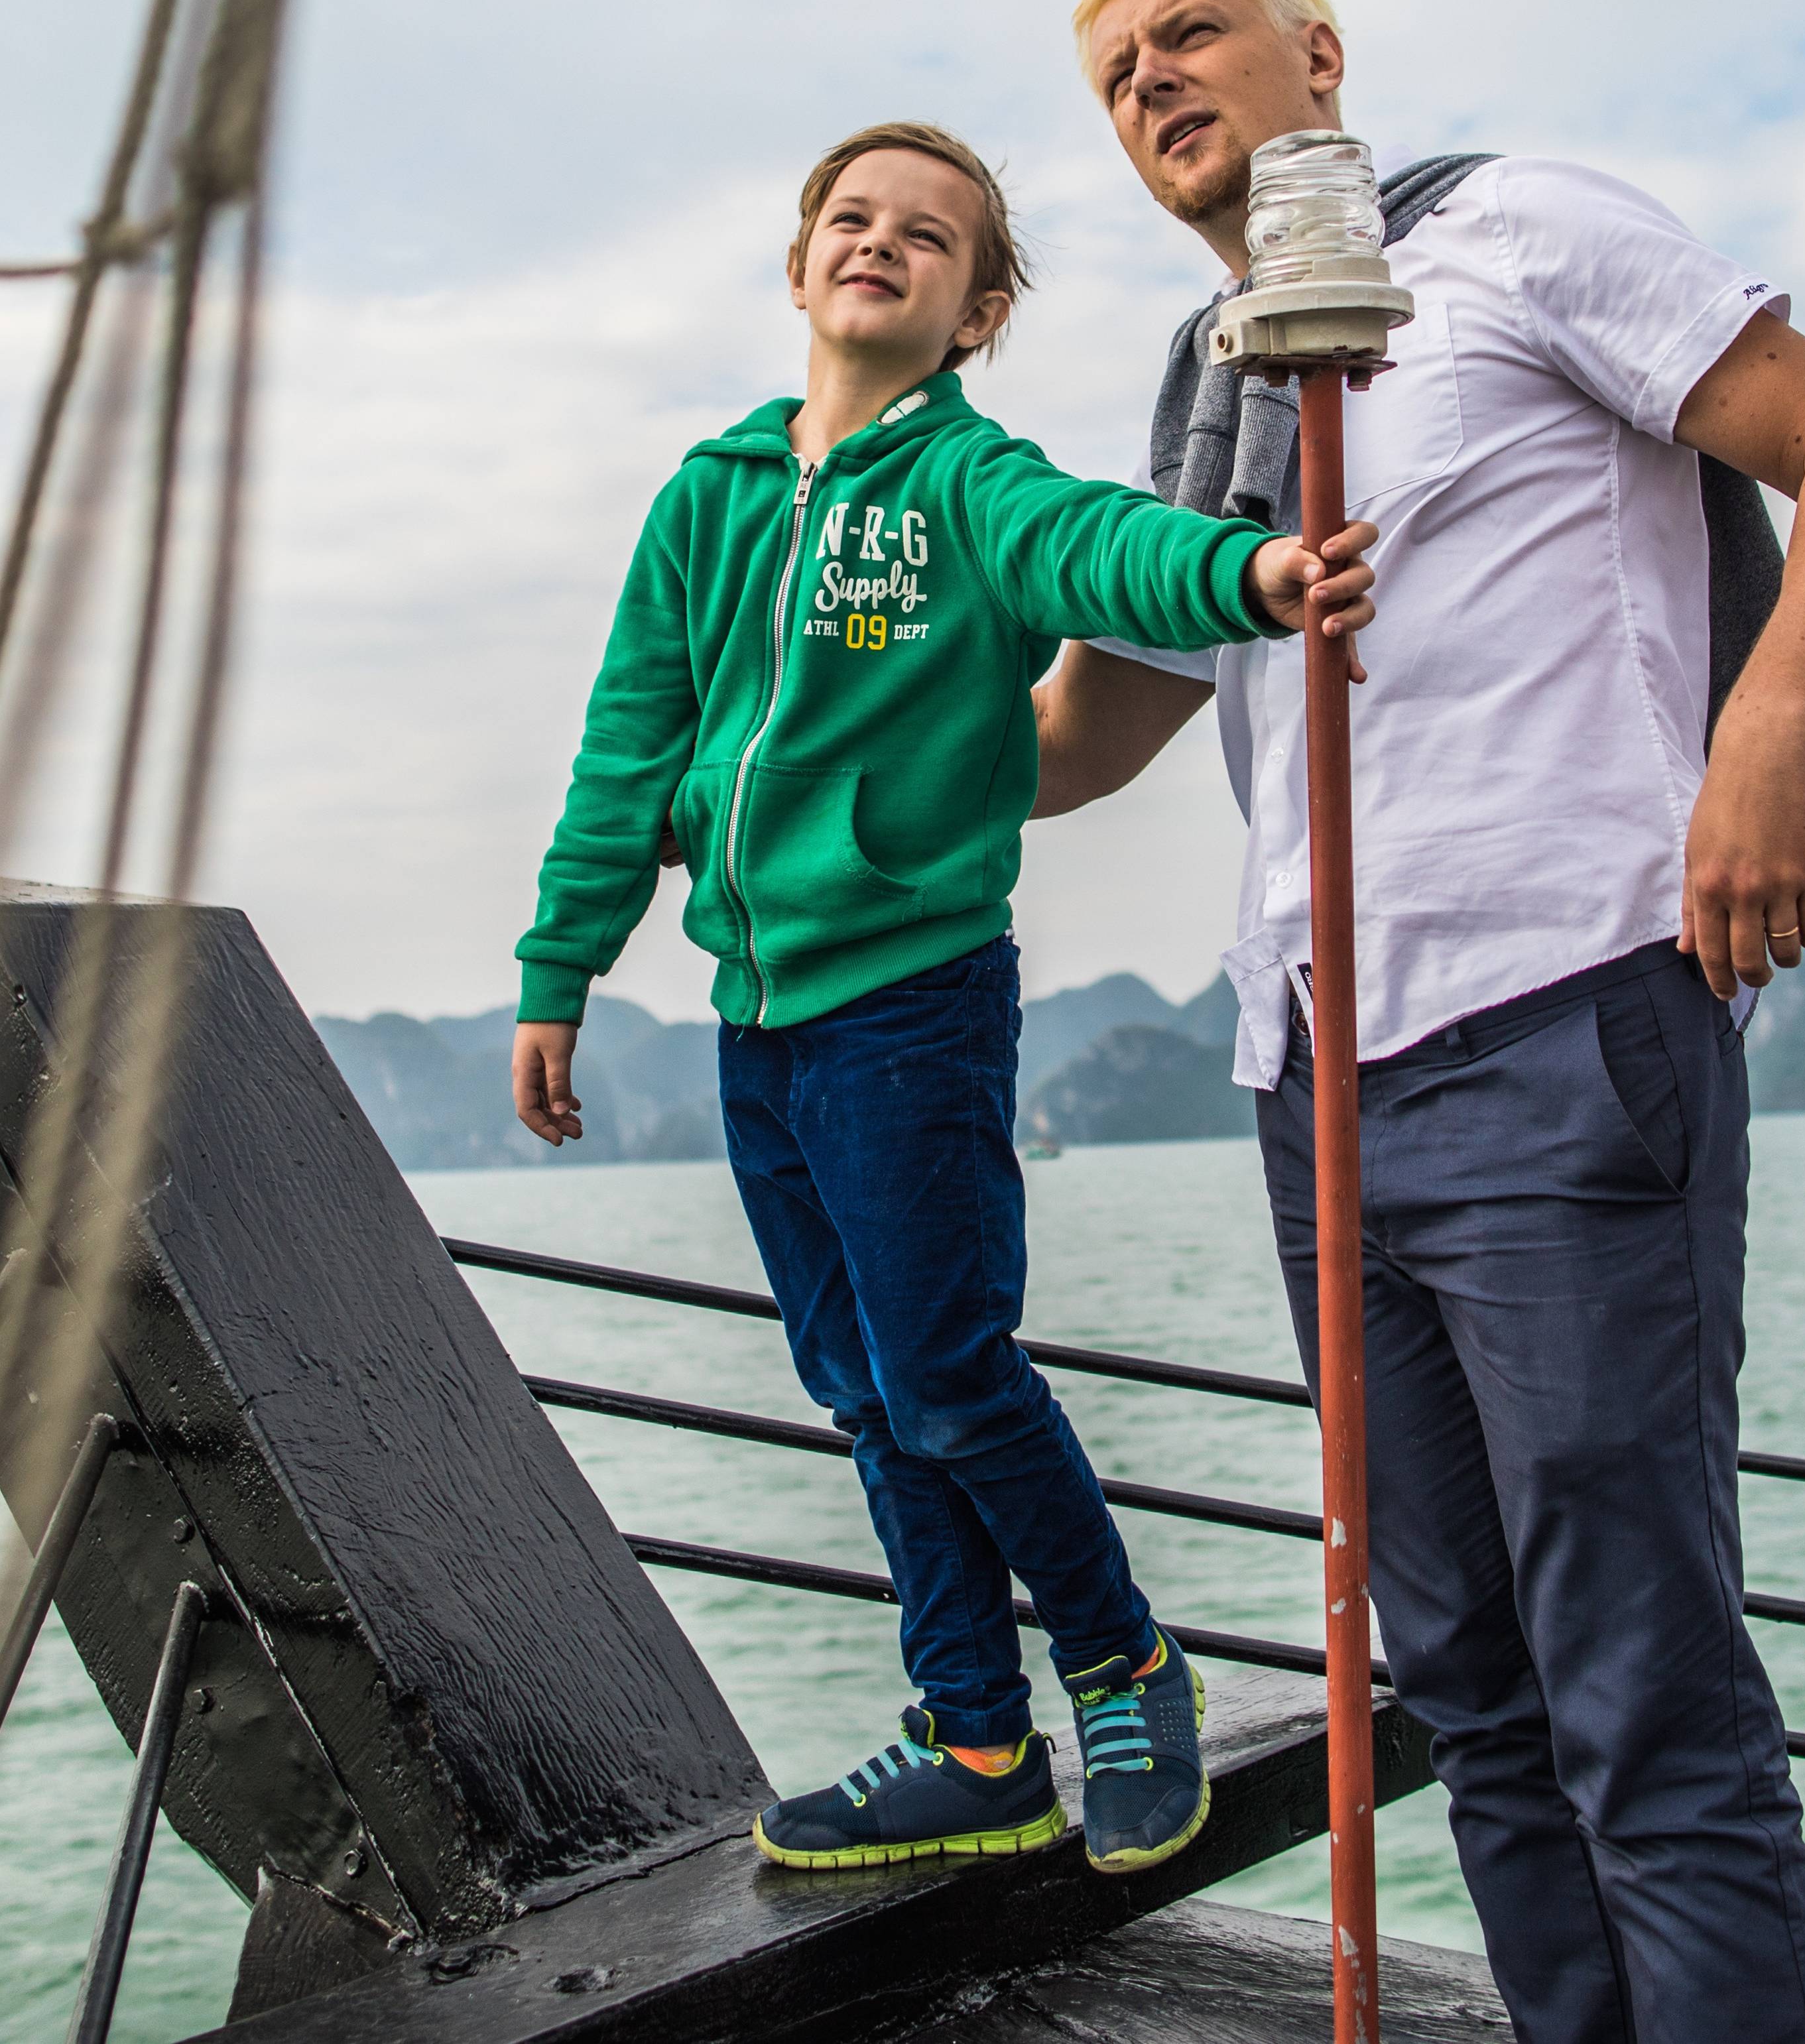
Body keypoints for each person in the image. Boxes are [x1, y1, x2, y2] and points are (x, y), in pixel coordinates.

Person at [1033, 0, 1805, 2043]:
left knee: (1642, 1689)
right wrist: (816, 735)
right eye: (1114, 75)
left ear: (1319, 54)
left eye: (1191, 33)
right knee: (1471, 1693)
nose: (1152, 81)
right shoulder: (1214, 387)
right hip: (1312, 1084)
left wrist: (1769, 736)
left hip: (1565, 1021)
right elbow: (1084, 736)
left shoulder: (1521, 229)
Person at [510, 120, 1379, 1875]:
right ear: (799, 265)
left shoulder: (967, 489)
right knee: (862, 1388)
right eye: (851, 218)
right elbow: (627, 744)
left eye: (928, 236)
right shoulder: (708, 498)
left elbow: (1098, 548)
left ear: (976, 313)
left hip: (914, 1004)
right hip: (758, 1022)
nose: (879, 243)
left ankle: (1122, 1661)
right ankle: (976, 1735)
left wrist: (1250, 574)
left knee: (952, 1376)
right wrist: (561, 969)